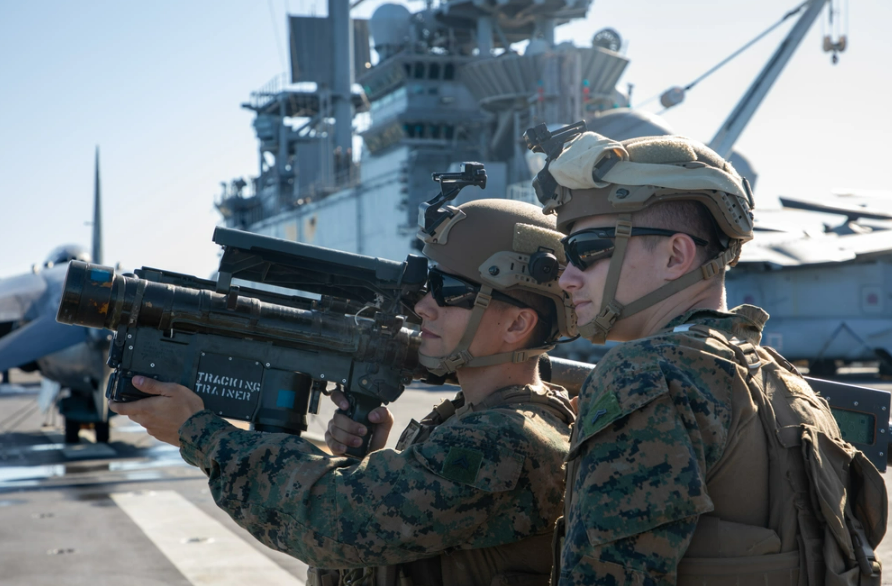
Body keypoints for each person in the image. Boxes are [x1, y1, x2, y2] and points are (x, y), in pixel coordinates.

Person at [109, 198, 577, 586]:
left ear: (517, 323)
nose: (423, 306)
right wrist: (366, 462)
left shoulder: (506, 440)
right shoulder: (468, 418)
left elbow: (330, 521)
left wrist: (200, 434)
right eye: (425, 285)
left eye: (450, 291)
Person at [540, 131, 886, 585]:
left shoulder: (645, 373)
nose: (567, 278)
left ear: (676, 255)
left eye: (585, 252)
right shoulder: (783, 380)